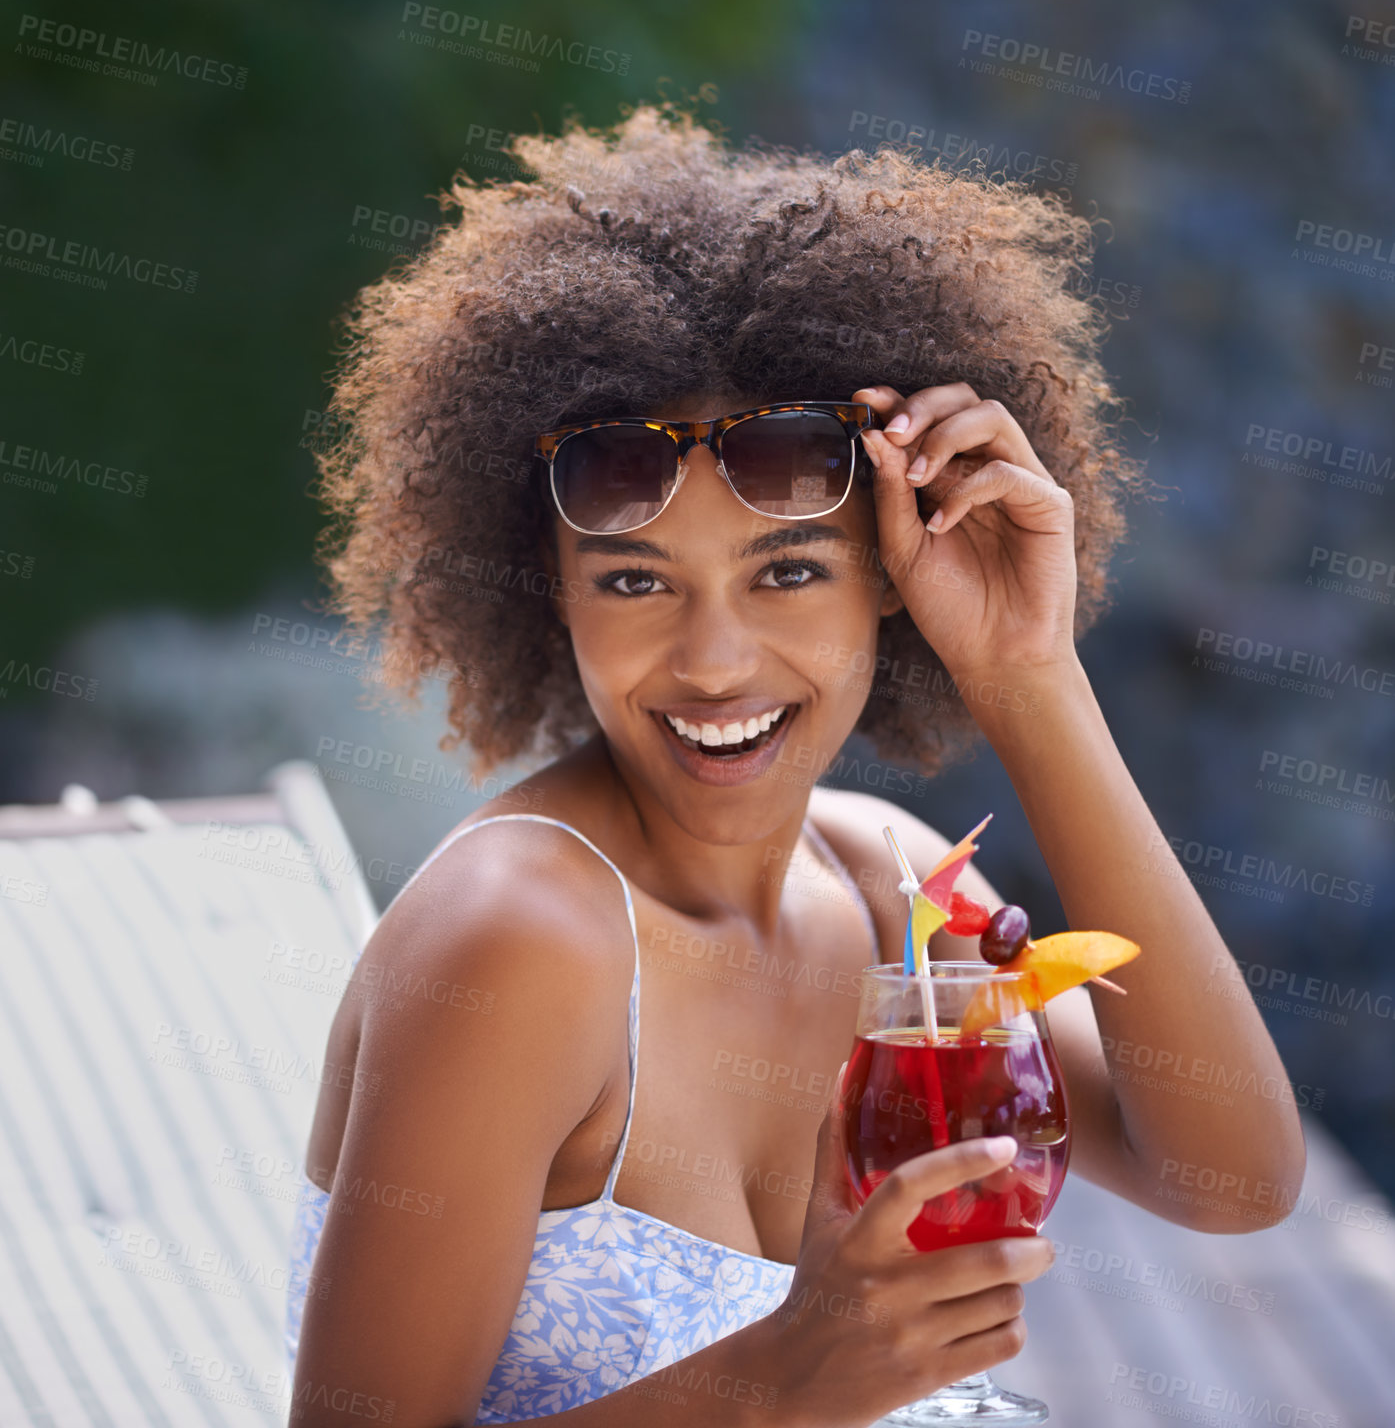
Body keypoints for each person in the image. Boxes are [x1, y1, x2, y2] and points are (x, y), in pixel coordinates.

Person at [284, 102, 1305, 1428]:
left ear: (892, 568)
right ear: (553, 590)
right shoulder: (520, 942)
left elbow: (1231, 1178)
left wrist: (1028, 677)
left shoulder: (885, 885)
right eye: (637, 580)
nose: (714, 660)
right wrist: (780, 1380)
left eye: (788, 571)